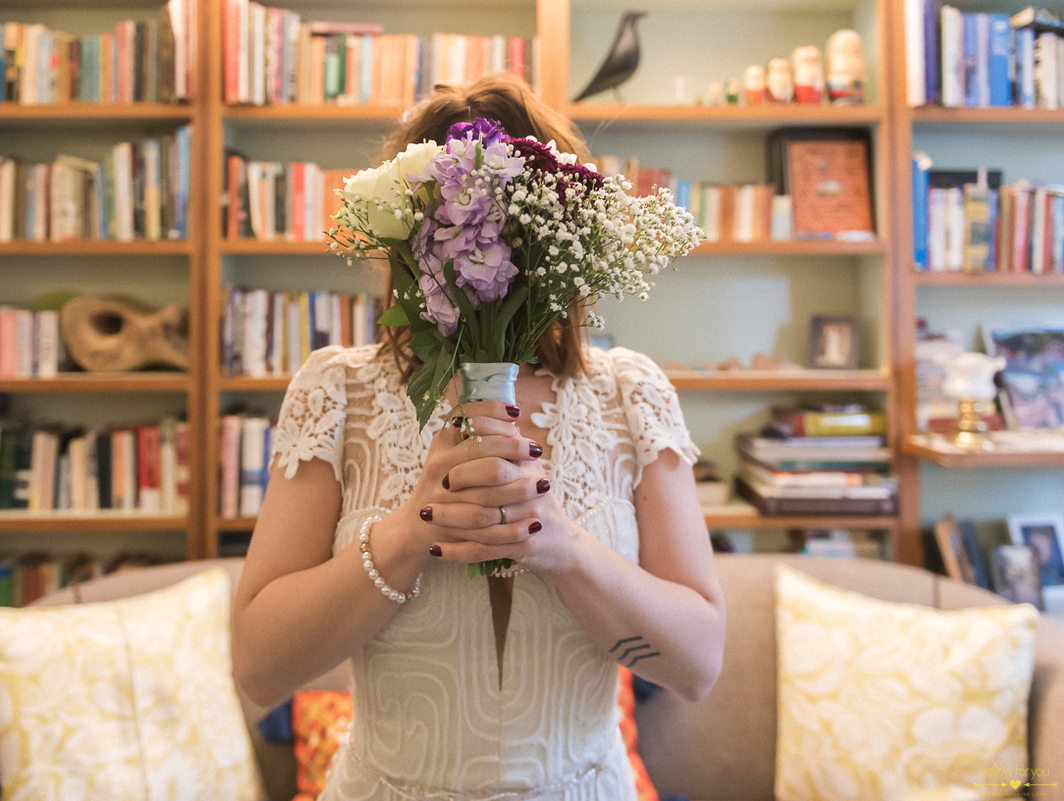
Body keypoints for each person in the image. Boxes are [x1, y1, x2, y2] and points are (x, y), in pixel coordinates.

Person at [232, 74, 726, 800]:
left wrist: (566, 549)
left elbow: (697, 666)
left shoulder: (630, 392)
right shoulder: (338, 388)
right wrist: (406, 534)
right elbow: (258, 668)